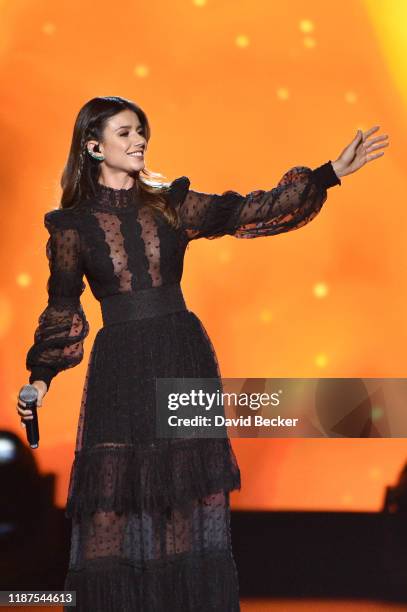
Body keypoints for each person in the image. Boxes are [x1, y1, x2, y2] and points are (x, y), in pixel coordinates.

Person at [17, 96, 389, 611]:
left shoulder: (170, 204)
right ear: (94, 145)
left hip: (180, 355)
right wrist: (39, 379)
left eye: (142, 131)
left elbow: (248, 211)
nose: (139, 140)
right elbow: (63, 308)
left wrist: (329, 173)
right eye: (125, 133)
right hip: (119, 369)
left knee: (185, 504)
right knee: (113, 507)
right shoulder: (71, 227)